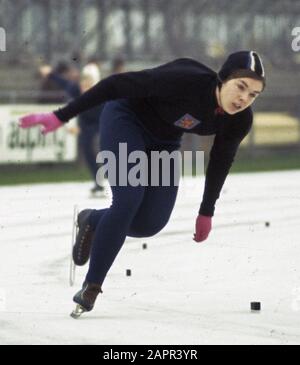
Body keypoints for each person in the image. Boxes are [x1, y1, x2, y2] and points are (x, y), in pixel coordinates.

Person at [19, 50, 265, 317]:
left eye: (253, 94)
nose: (244, 98)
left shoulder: (240, 119)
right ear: (223, 78)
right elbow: (114, 85)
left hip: (165, 142)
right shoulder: (185, 79)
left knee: (150, 224)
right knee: (128, 201)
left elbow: (220, 160)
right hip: (126, 119)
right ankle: (92, 285)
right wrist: (61, 115)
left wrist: (206, 211)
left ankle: (93, 220)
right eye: (241, 87)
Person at [39, 62, 105, 195]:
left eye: (89, 82)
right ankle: (98, 183)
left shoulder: (102, 94)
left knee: (99, 147)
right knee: (87, 151)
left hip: (102, 124)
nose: (84, 86)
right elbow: (63, 82)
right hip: (86, 126)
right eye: (83, 82)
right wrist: (50, 74)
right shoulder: (76, 89)